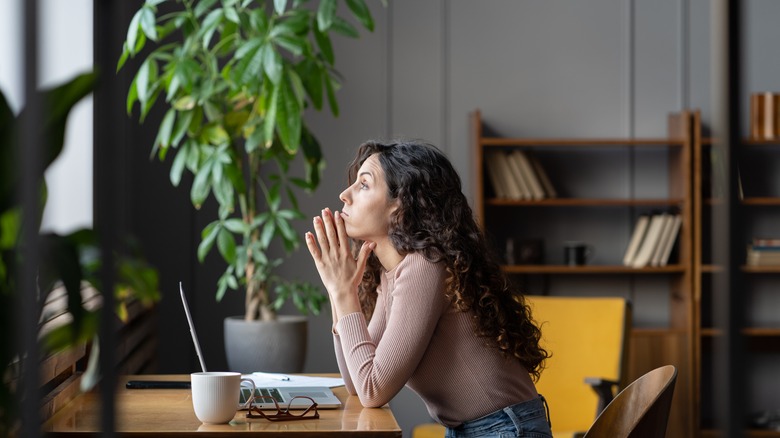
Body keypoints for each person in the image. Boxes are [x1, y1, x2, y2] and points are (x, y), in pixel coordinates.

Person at [305, 140, 552, 438]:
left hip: (507, 430)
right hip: (481, 429)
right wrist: (338, 290)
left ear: (401, 203)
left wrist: (345, 294)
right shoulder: (393, 274)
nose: (345, 195)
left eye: (364, 185)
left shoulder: (425, 266)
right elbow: (357, 384)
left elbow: (372, 390)